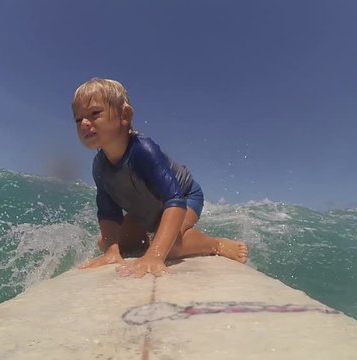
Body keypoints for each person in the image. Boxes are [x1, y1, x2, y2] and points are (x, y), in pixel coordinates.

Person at [74, 78, 248, 278]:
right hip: (147, 208)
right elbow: (108, 212)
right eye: (78, 119)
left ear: (125, 115)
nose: (85, 123)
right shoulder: (99, 166)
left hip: (184, 196)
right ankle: (149, 236)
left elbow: (175, 200)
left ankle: (216, 244)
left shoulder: (143, 150)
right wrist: (112, 252)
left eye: (94, 113)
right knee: (108, 243)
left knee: (170, 247)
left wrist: (155, 255)